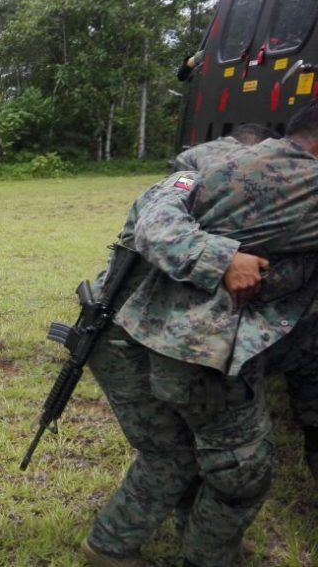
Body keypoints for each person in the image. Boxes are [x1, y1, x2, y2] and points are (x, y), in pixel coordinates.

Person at [82, 106, 318, 567]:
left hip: (138, 332)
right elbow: (154, 227)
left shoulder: (197, 169)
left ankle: (116, 545)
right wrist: (221, 257)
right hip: (157, 337)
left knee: (175, 455)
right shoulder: (283, 181)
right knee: (236, 471)